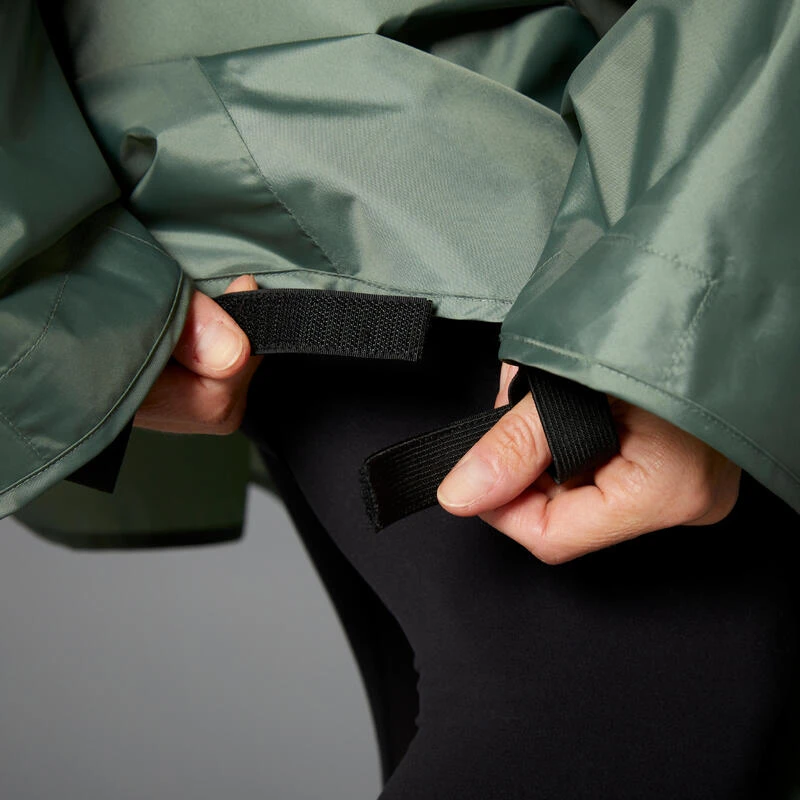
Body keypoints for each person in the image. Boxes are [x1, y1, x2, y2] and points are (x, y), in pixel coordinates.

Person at [2, 0, 799, 796]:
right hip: (491, 167)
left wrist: (52, 301)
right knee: (628, 697)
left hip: (247, 140)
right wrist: (673, 309)